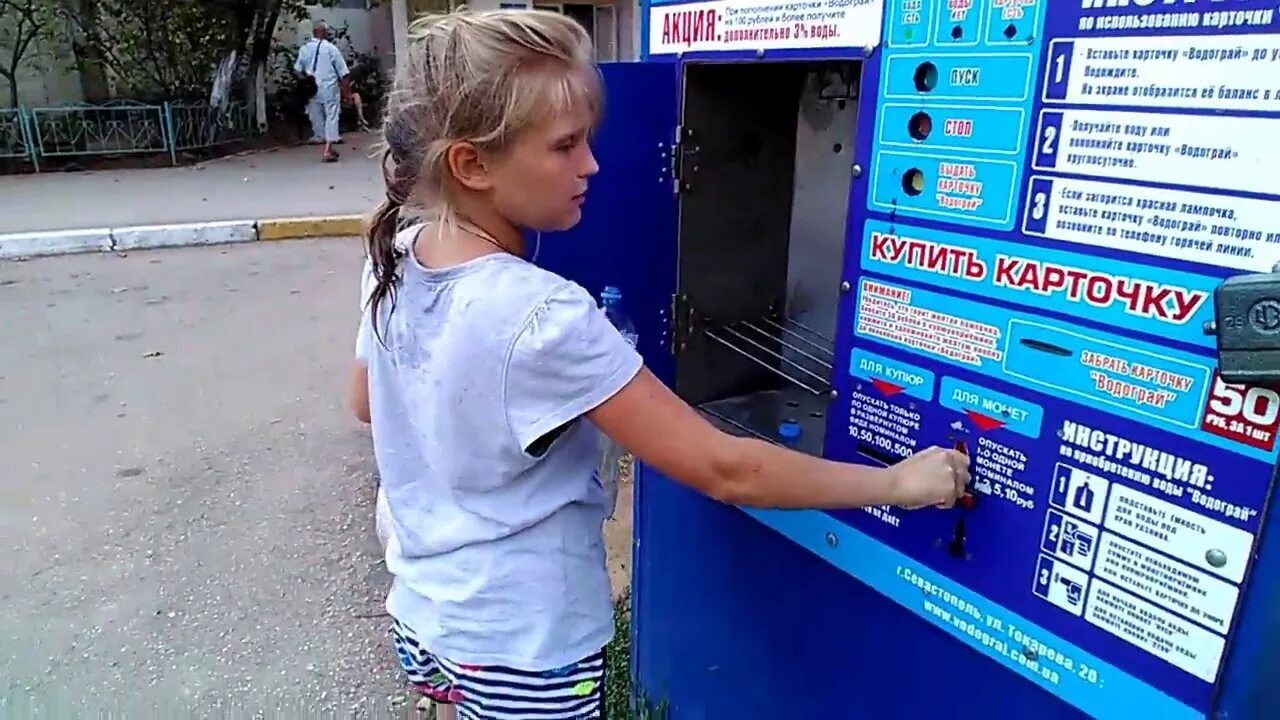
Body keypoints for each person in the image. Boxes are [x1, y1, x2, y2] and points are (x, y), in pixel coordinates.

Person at [351, 9, 969, 720]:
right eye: (565, 146)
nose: (592, 166)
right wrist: (897, 480)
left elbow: (368, 401)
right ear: (472, 164)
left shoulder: (395, 255)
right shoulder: (542, 316)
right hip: (526, 646)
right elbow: (727, 468)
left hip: (428, 621)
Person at [294, 18, 350, 162]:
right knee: (332, 117)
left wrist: (307, 80)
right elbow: (343, 73)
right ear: (324, 32)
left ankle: (325, 143)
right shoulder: (331, 49)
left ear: (313, 32)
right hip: (329, 88)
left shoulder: (304, 49)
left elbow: (297, 70)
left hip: (312, 90)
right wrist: (346, 94)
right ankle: (328, 149)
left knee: (317, 118)